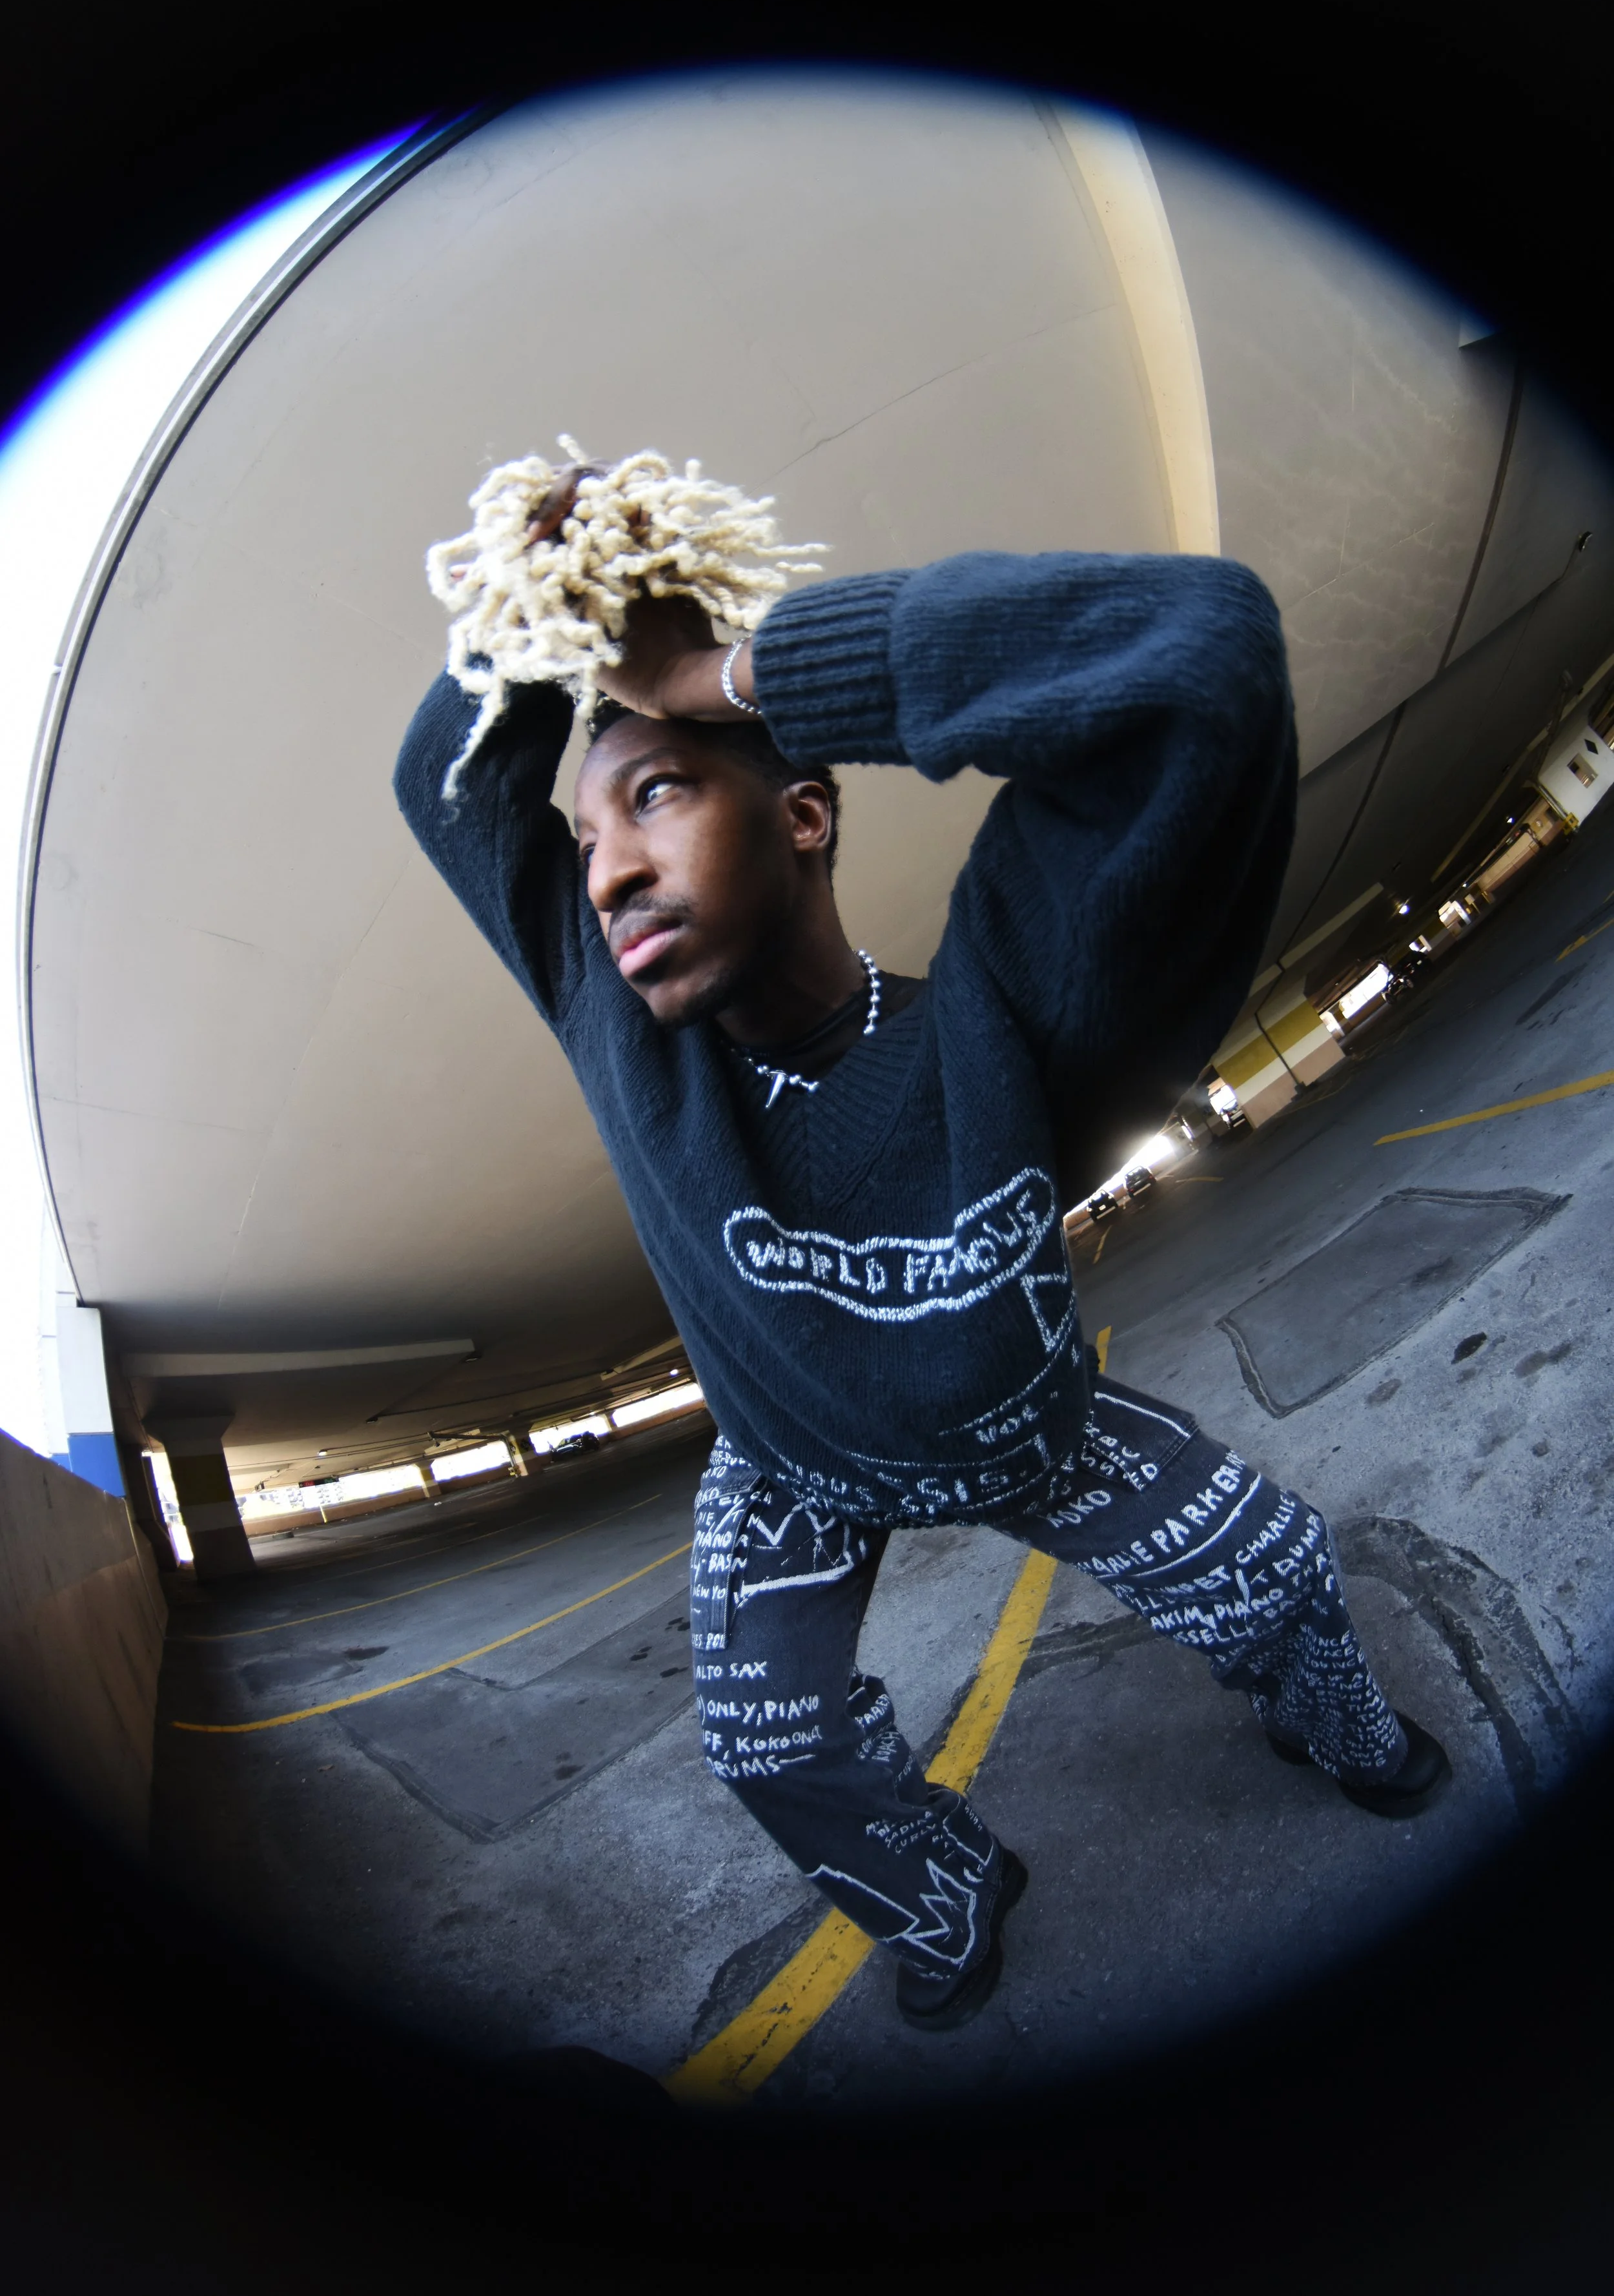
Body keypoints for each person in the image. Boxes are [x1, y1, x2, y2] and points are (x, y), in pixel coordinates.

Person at [395, 455, 1451, 2035]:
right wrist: (544, 600)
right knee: (769, 1743)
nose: (604, 867)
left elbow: (1197, 657)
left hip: (1023, 1432)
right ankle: (946, 1891)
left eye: (662, 788)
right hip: (791, 1464)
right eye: (588, 821)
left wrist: (727, 671)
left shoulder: (1010, 1018)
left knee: (1276, 1572)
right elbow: (447, 783)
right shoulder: (614, 1027)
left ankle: (1326, 1719)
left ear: (803, 811)